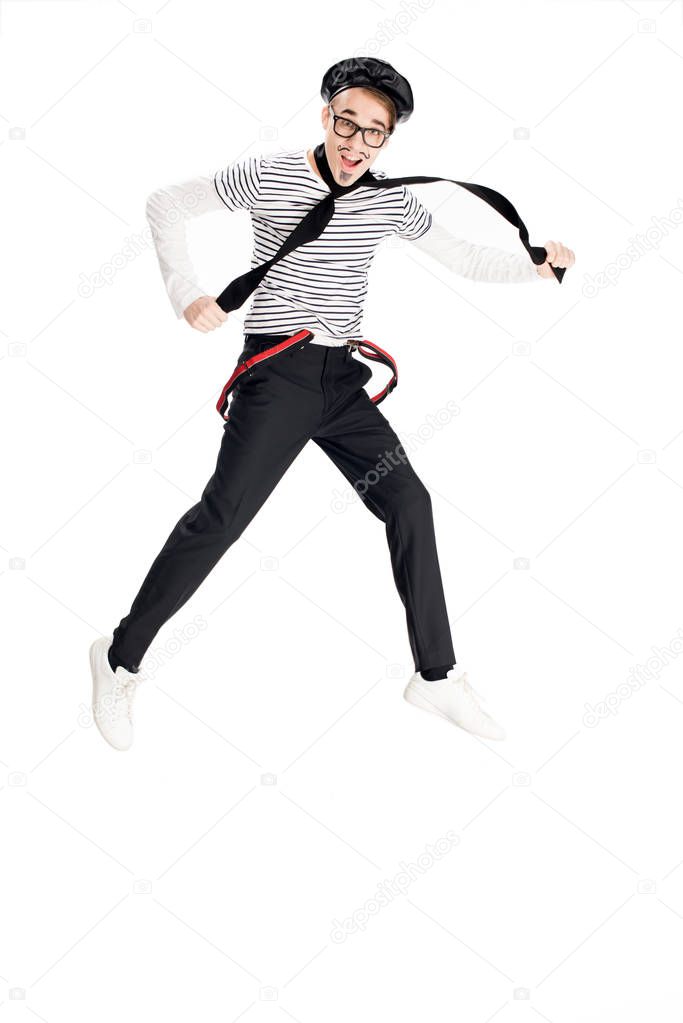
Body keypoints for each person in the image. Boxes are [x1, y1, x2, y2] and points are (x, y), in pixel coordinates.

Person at [89, 57, 575, 751]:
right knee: (221, 518)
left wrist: (534, 265)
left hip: (341, 383)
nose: (356, 143)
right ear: (325, 116)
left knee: (409, 501)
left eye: (374, 132)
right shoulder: (269, 174)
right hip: (277, 377)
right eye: (347, 122)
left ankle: (434, 676)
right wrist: (186, 292)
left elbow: (465, 258)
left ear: (387, 139)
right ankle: (117, 657)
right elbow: (166, 203)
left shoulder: (388, 199)